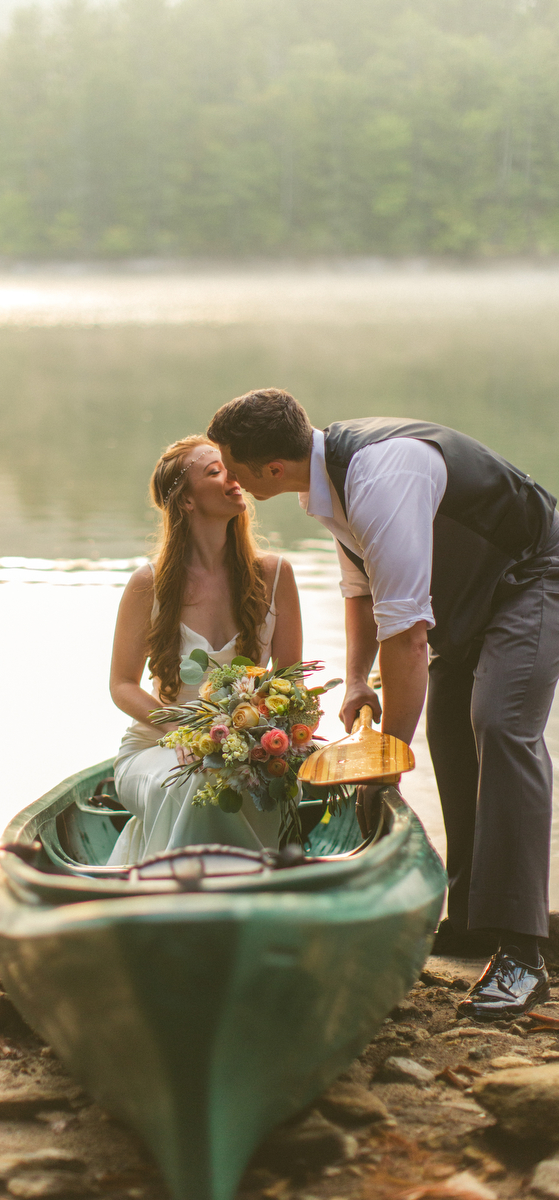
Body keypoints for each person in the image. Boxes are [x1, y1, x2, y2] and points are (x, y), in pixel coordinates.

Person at [207, 388, 559, 1021]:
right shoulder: (328, 482)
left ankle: (523, 958)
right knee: (450, 735)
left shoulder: (378, 475)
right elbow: (360, 588)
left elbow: (408, 634)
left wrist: (387, 755)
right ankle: (476, 921)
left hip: (535, 575)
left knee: (501, 726)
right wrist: (356, 681)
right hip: (473, 600)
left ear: (271, 469)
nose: (228, 479)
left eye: (232, 466)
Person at [108, 434, 302, 865]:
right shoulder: (148, 584)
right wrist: (185, 731)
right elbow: (121, 685)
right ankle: (184, 904)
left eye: (231, 468)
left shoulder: (275, 575)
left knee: (241, 780)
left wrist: (260, 742)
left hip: (249, 748)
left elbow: (290, 683)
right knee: (200, 782)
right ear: (187, 502)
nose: (233, 478)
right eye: (215, 472)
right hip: (158, 746)